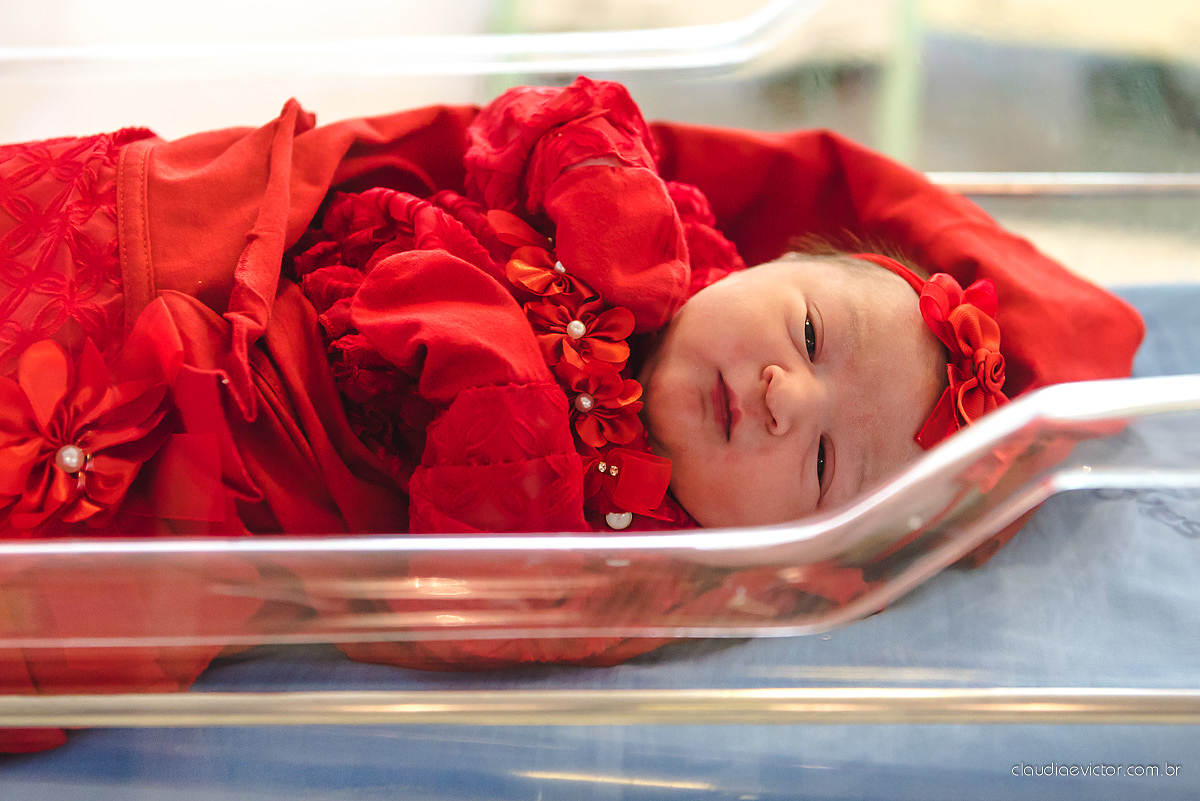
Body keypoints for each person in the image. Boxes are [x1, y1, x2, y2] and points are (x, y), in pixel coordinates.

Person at [0, 77, 1144, 752]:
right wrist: (601, 190)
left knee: (87, 557)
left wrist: (500, 385)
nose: (789, 397)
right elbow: (547, 117)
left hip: (250, 432)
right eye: (804, 334)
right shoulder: (680, 242)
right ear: (755, 269)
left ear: (792, 549)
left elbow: (476, 612)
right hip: (257, 264)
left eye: (829, 462)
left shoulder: (647, 565)